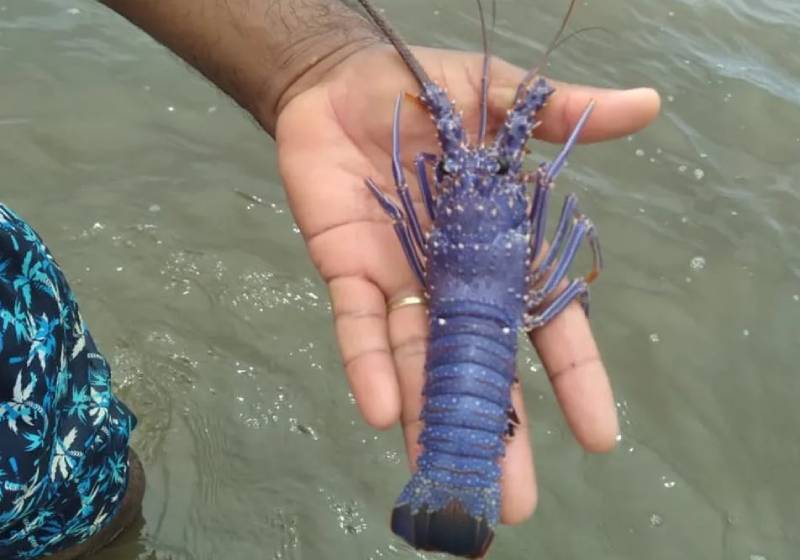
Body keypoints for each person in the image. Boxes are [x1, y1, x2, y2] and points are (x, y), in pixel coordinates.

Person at [0, 0, 660, 558]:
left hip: (48, 436)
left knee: (86, 507)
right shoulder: (511, 213)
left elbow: (405, 200)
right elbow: (566, 231)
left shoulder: (422, 212)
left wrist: (320, 61)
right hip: (47, 424)